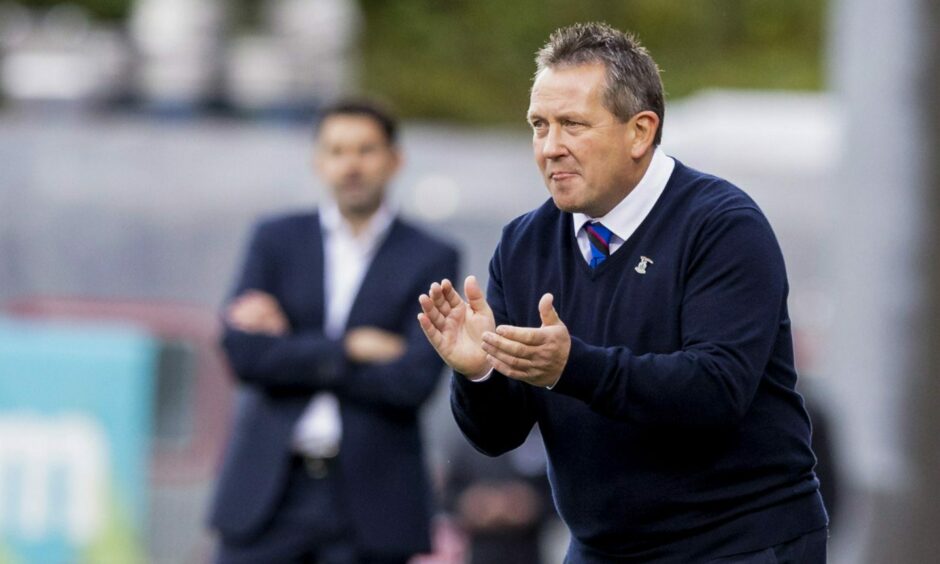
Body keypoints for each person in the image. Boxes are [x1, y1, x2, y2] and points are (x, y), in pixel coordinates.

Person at [418, 22, 828, 563]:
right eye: (538, 125)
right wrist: (479, 374)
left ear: (640, 131)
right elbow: (499, 435)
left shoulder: (723, 225)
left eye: (572, 125)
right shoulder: (524, 244)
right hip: (603, 546)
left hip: (738, 541)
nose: (550, 147)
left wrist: (573, 366)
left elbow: (716, 391)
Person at [209, 99, 459, 564]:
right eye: (337, 150)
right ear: (317, 160)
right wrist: (351, 347)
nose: (351, 165)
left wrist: (292, 350)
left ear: (394, 159)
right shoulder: (275, 240)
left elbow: (411, 381)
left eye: (365, 150)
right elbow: (244, 354)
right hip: (268, 494)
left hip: (371, 501)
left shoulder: (430, 257)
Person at [443, 426, 557, 564]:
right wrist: (470, 505)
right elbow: (448, 498)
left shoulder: (540, 439)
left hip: (527, 549)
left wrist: (531, 504)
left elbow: (561, 495)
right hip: (482, 551)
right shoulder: (465, 443)